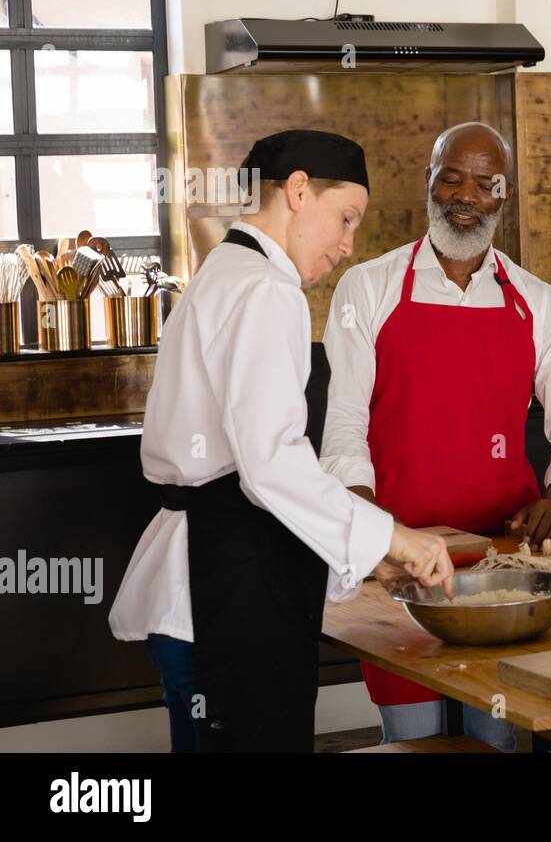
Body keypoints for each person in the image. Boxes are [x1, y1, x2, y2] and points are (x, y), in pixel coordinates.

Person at [109, 129, 454, 753]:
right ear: (298, 191)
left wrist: (370, 551)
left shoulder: (224, 268)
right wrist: (394, 536)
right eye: (345, 218)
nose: (349, 245)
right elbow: (270, 465)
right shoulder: (269, 289)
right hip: (228, 592)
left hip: (203, 585)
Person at [321, 122, 551, 750]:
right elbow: (344, 422)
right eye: (451, 178)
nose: (466, 195)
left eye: (485, 183)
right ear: (429, 182)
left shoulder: (537, 302)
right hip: (402, 563)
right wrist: (371, 534)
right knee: (413, 732)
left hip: (504, 558)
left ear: (504, 196)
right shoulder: (367, 288)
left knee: (496, 731)